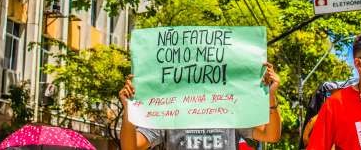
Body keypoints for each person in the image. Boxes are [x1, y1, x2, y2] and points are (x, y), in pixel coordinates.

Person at [119, 62, 281, 150]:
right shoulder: (167, 112)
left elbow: (271, 135)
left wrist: (271, 96)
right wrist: (129, 110)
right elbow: (130, 147)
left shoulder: (231, 111)